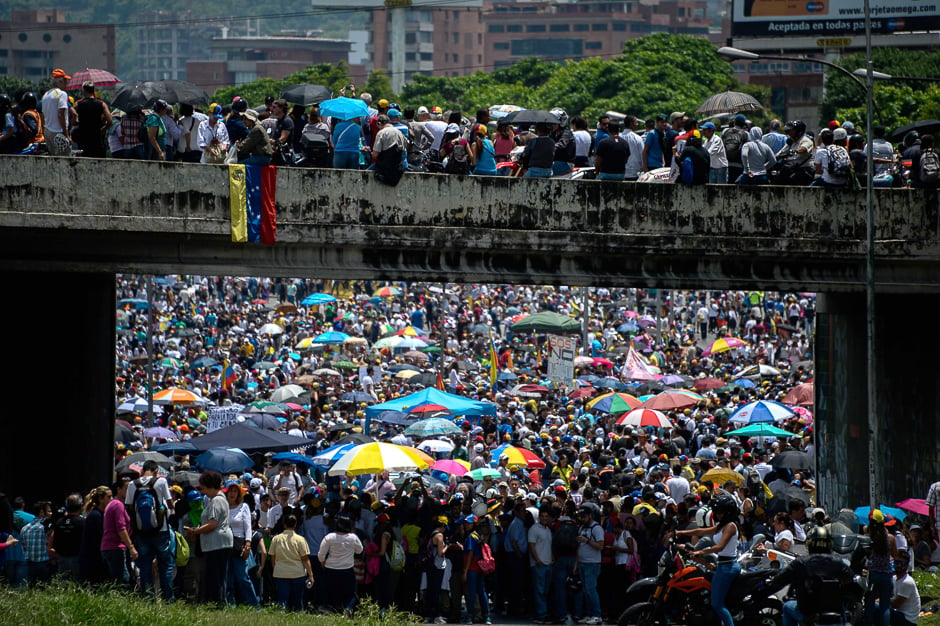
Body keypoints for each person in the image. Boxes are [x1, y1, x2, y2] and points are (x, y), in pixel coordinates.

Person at [764, 525, 855, 626]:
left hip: (807, 613)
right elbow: (850, 578)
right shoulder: (838, 562)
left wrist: (772, 582)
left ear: (809, 544)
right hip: (834, 614)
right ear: (829, 544)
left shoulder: (800, 563)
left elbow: (779, 580)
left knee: (787, 607)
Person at [678, 494, 740, 626]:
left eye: (720, 512)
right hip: (722, 565)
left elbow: (720, 546)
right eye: (716, 512)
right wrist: (681, 533)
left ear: (728, 512)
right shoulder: (721, 526)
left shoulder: (730, 526)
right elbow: (700, 531)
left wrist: (700, 552)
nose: (717, 514)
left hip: (727, 567)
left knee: (717, 604)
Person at [126, 459, 174, 601]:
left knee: (145, 567)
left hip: (141, 533)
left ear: (142, 470)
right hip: (161, 530)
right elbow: (170, 503)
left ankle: (148, 599)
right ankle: (168, 599)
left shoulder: (132, 484)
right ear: (156, 471)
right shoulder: (161, 482)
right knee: (165, 566)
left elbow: (129, 506)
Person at [184, 470, 233, 606]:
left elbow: (212, 524)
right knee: (218, 576)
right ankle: (219, 603)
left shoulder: (216, 501)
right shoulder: (219, 499)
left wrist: (195, 531)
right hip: (219, 543)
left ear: (209, 485)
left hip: (216, 544)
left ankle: (217, 604)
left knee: (215, 577)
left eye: (203, 488)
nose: (202, 491)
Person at [269, 513, 314, 612]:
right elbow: (305, 559)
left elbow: (273, 557)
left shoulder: (276, 539)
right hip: (298, 573)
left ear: (284, 524)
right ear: (295, 524)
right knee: (297, 600)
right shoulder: (300, 540)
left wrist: (275, 569)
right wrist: (311, 575)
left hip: (280, 572)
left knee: (282, 599)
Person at [317, 513, 362, 613]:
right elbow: (360, 550)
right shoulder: (353, 538)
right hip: (347, 569)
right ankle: (348, 609)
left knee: (330, 590)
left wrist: (323, 563)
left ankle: (330, 609)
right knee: (350, 592)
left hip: (330, 569)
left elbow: (321, 555)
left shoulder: (329, 537)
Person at [225, 480, 259, 607]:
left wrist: (248, 543)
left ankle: (253, 604)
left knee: (243, 577)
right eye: (230, 491)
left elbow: (248, 527)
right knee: (228, 578)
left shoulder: (243, 506)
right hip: (226, 544)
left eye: (235, 491)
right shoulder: (224, 507)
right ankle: (230, 604)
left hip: (239, 544)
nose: (232, 494)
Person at [103, 478, 136, 585]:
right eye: (127, 488)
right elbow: (121, 528)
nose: (130, 492)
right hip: (115, 547)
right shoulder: (118, 505)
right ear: (119, 489)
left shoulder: (115, 504)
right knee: (123, 581)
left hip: (112, 547)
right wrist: (131, 548)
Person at [574, 506, 604, 625]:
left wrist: (587, 541)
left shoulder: (596, 528)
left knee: (591, 590)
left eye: (584, 516)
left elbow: (601, 546)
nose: (582, 519)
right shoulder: (581, 527)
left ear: (590, 516)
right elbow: (578, 547)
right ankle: (589, 614)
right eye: (581, 517)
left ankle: (597, 615)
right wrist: (576, 564)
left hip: (592, 563)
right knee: (585, 591)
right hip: (582, 562)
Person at [461, 514, 492, 625]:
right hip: (480, 568)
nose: (466, 525)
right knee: (482, 592)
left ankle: (469, 617)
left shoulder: (471, 537)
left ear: (474, 524)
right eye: (465, 523)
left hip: (472, 568)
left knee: (471, 593)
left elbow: (470, 553)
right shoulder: (479, 536)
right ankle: (487, 616)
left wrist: (465, 571)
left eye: (469, 523)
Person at [48, 493, 85, 580]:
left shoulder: (59, 522)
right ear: (80, 505)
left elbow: (50, 544)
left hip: (62, 559)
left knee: (63, 587)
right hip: (78, 560)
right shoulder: (83, 522)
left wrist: (59, 556)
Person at [79, 486, 110, 584]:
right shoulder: (95, 516)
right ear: (101, 499)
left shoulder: (101, 514)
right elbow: (97, 539)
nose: (111, 499)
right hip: (93, 560)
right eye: (109, 497)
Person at [528, 507, 554, 624]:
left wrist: (552, 558)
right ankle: (541, 615)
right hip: (538, 564)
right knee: (539, 591)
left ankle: (543, 613)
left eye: (546, 516)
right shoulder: (534, 529)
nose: (544, 518)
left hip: (548, 564)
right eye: (542, 516)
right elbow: (531, 546)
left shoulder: (548, 529)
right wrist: (537, 560)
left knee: (545, 591)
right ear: (539, 517)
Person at [73, 82, 111, 158]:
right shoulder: (101, 104)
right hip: (97, 138)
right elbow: (110, 120)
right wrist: (104, 128)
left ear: (84, 90)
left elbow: (73, 119)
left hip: (83, 139)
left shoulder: (78, 103)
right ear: (94, 90)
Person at [41, 68, 72, 156]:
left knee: (53, 159)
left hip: (47, 132)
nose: (67, 84)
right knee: (65, 160)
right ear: (60, 82)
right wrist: (66, 135)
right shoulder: (62, 94)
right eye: (65, 81)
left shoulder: (46, 95)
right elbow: (60, 114)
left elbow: (43, 116)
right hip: (58, 132)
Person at [425, 515, 449, 624]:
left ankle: (429, 615)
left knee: (430, 590)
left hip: (430, 565)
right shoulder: (440, 535)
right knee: (436, 591)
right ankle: (437, 616)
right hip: (437, 566)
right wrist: (447, 546)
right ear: (443, 525)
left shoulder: (431, 534)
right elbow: (440, 553)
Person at [890, 551, 920, 626]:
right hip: (899, 614)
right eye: (896, 562)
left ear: (906, 566)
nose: (899, 565)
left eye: (902, 563)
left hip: (908, 621)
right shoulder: (894, 579)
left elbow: (895, 605)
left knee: (877, 608)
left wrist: (882, 599)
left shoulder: (907, 582)